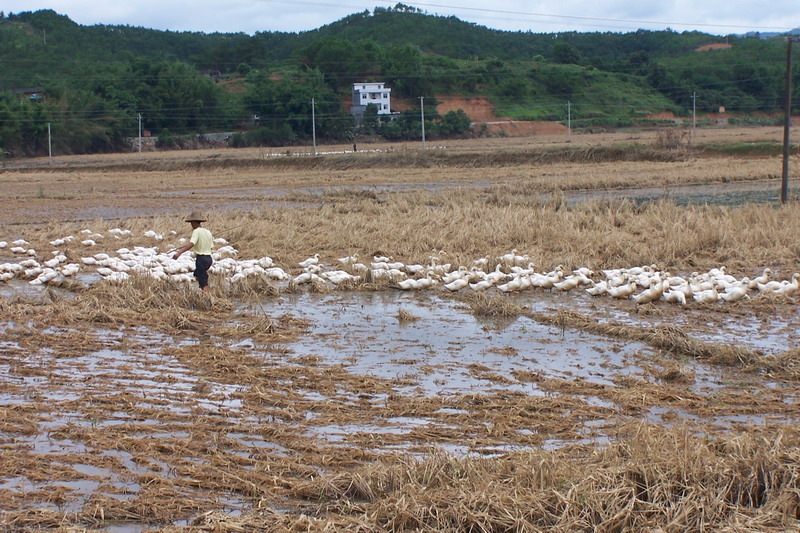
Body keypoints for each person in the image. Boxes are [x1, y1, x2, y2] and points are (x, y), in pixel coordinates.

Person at [173, 210, 213, 291]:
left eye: (191, 222)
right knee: (198, 274)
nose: (191, 224)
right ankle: (201, 290)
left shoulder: (196, 231)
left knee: (203, 281)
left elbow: (192, 243)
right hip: (209, 259)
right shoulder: (208, 232)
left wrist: (179, 252)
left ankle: (208, 294)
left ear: (194, 222)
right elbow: (211, 246)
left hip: (201, 259)